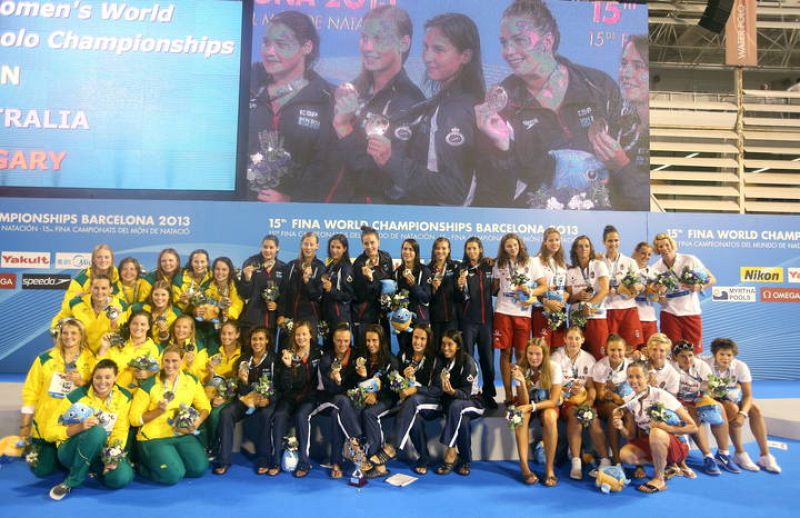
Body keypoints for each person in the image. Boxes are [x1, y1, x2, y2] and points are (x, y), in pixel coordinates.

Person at [474, 0, 621, 208]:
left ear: (547, 41)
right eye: (504, 42)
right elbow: (494, 195)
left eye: (520, 40)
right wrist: (502, 149)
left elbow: (627, 167)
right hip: (534, 223)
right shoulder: (499, 105)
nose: (508, 51)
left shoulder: (599, 86)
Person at [367, 12, 485, 206]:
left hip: (440, 221)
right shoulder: (444, 101)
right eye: (425, 47)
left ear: (465, 56)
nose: (428, 57)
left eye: (439, 49)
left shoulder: (457, 110)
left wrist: (392, 161)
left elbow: (455, 191)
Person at [332, 5, 426, 203]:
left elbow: (382, 179)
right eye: (364, 38)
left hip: (370, 215)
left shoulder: (411, 103)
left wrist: (344, 127)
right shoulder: (351, 89)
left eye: (379, 39)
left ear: (404, 43)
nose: (367, 47)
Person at [247, 10, 335, 202]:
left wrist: (292, 202)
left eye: (281, 44)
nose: (269, 52)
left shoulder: (327, 98)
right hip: (237, 210)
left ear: (306, 47)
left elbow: (328, 169)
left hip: (295, 215)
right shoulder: (245, 86)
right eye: (266, 43)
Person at [45, 359, 135, 500]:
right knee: (97, 431)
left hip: (101, 453)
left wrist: (112, 457)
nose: (102, 382)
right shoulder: (76, 396)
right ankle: (72, 480)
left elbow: (120, 430)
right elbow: (48, 432)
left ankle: (91, 469)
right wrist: (79, 427)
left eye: (108, 377)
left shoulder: (124, 397)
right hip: (70, 452)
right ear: (92, 377)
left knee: (121, 478)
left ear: (115, 378)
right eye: (98, 377)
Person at [19, 319, 94, 478]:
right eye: (65, 333)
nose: (68, 336)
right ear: (59, 335)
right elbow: (30, 393)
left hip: (74, 423)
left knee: (72, 459)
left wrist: (81, 382)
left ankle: (68, 456)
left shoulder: (91, 359)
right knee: (41, 470)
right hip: (46, 422)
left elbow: (99, 389)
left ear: (81, 335)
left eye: (73, 333)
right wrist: (25, 426)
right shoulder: (44, 358)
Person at [129, 345, 211, 485]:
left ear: (181, 361)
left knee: (199, 469)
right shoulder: (149, 385)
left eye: (174, 361)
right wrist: (158, 411)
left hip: (181, 433)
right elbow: (134, 419)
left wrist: (197, 421)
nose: (170, 365)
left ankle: (171, 461)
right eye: (166, 361)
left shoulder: (191, 380)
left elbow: (205, 406)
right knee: (173, 476)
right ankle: (141, 467)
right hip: (154, 437)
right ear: (161, 361)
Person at [614, 361, 698, 493]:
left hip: (677, 445)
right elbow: (630, 435)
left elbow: (693, 427)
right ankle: (668, 465)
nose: (633, 381)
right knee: (625, 455)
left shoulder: (661, 395)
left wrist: (668, 428)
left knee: (656, 432)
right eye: (630, 377)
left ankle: (659, 478)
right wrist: (620, 426)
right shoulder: (630, 399)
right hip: (654, 443)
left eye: (638, 376)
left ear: (647, 377)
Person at [330, 324, 398, 478]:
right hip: (363, 398)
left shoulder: (391, 360)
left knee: (369, 413)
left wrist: (377, 395)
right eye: (368, 341)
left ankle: (376, 462)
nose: (370, 344)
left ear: (381, 341)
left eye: (374, 340)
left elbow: (394, 389)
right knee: (337, 412)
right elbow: (350, 383)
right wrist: (362, 376)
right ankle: (350, 452)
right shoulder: (361, 358)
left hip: (386, 400)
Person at [591, 35, 650, 210]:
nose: (626, 73)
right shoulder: (623, 127)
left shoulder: (663, 133)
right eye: (624, 64)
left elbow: (651, 201)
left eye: (638, 66)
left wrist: (622, 165)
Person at [706, 338, 781, 473]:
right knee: (732, 409)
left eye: (729, 355)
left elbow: (748, 395)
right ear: (714, 354)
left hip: (733, 397)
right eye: (722, 354)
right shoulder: (705, 365)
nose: (725, 358)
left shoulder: (741, 366)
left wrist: (743, 414)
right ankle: (740, 453)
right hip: (711, 399)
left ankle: (765, 455)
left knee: (755, 410)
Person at [492, 233, 546, 404]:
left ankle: (521, 392)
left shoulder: (531, 262)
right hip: (503, 311)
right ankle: (508, 394)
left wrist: (530, 292)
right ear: (504, 248)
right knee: (505, 352)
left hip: (523, 313)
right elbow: (494, 288)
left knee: (521, 353)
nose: (512, 248)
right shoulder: (499, 263)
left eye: (515, 245)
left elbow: (544, 286)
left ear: (520, 245)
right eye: (508, 246)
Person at [671, 339, 738, 477]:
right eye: (683, 356)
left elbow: (709, 389)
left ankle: (723, 453)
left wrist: (710, 393)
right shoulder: (671, 368)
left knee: (719, 407)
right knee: (693, 415)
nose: (688, 359)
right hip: (679, 402)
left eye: (690, 355)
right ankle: (707, 456)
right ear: (675, 357)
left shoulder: (700, 365)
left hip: (698, 399)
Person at [213, 326, 275, 475]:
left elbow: (279, 385)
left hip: (265, 401)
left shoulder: (274, 359)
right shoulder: (244, 360)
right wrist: (244, 382)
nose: (257, 342)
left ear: (267, 340)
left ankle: (264, 460)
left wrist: (268, 400)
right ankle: (224, 460)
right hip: (246, 400)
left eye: (261, 339)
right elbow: (239, 388)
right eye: (254, 339)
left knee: (266, 415)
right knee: (226, 413)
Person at [551, 326, 607, 479]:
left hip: (583, 399)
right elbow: (551, 385)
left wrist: (589, 401)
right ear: (564, 339)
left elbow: (591, 387)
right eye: (570, 338)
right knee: (575, 416)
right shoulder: (556, 357)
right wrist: (568, 389)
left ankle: (605, 461)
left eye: (577, 338)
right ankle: (576, 462)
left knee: (593, 418)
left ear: (582, 340)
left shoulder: (589, 359)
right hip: (565, 400)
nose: (573, 342)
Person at [272, 320, 322, 477]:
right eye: (298, 335)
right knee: (279, 415)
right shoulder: (287, 354)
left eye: (304, 334)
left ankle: (304, 463)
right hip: (290, 396)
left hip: (309, 397)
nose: (301, 338)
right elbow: (284, 385)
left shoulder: (318, 353)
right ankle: (275, 461)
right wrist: (288, 367)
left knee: (301, 416)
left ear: (310, 335)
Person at [651, 232, 715, 353]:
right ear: (657, 249)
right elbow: (652, 293)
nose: (664, 248)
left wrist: (699, 286)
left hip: (691, 311)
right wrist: (659, 298)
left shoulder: (689, 260)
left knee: (694, 352)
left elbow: (712, 279)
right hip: (669, 313)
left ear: (672, 245)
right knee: (672, 352)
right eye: (660, 246)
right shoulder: (655, 268)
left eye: (667, 244)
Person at [510, 338, 562, 486]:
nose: (533, 357)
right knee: (520, 416)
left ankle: (549, 469)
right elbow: (524, 402)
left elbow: (553, 401)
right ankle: (524, 467)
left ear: (544, 354)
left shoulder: (554, 367)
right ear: (525, 354)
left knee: (550, 416)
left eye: (538, 354)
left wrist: (532, 407)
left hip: (546, 403)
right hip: (528, 403)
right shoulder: (520, 368)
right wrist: (521, 382)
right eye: (530, 353)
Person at [432, 330, 484, 477]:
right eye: (443, 344)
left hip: (473, 402)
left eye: (450, 344)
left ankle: (450, 452)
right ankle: (466, 460)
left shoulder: (468, 363)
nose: (445, 348)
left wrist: (452, 392)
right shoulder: (440, 360)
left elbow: (466, 394)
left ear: (458, 346)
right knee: (463, 420)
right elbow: (436, 383)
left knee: (456, 406)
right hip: (453, 403)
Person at [390, 324, 437, 474]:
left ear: (428, 341)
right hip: (410, 404)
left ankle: (392, 446)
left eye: (423, 339)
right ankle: (424, 457)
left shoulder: (434, 359)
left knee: (412, 401)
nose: (418, 342)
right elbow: (395, 382)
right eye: (416, 337)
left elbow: (437, 390)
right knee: (413, 415)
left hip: (432, 403)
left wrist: (416, 388)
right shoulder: (404, 355)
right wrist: (403, 379)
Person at [455, 236, 497, 409]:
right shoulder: (461, 269)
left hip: (486, 322)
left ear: (480, 250)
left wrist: (492, 261)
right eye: (468, 248)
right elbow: (458, 297)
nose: (471, 251)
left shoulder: (489, 266)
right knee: (468, 360)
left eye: (474, 248)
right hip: (468, 322)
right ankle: (469, 393)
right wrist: (459, 285)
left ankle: (488, 394)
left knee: (488, 359)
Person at [317, 323, 359, 478]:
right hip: (328, 399)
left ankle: (336, 463)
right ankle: (356, 442)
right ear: (333, 340)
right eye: (339, 340)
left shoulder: (356, 355)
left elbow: (359, 382)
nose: (342, 344)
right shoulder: (326, 359)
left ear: (350, 340)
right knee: (341, 400)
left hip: (349, 400)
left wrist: (362, 376)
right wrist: (335, 380)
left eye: (346, 341)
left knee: (337, 415)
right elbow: (329, 390)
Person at [52, 275, 128, 354]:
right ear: (91, 288)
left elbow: (124, 335)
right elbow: (58, 321)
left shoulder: (121, 305)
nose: (99, 292)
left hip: (108, 354)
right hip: (81, 355)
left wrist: (115, 322)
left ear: (110, 289)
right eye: (96, 288)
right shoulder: (75, 303)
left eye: (104, 288)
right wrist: (58, 338)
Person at [201, 320, 243, 461]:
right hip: (212, 394)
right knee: (201, 409)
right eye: (223, 333)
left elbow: (238, 382)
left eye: (230, 333)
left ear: (237, 334)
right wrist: (210, 372)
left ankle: (214, 447)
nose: (226, 337)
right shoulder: (215, 354)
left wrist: (224, 398)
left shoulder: (242, 355)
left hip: (232, 396)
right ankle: (202, 447)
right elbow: (208, 381)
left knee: (214, 415)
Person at [277, 232, 325, 349]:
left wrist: (307, 281)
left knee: (308, 353)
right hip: (289, 317)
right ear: (301, 245)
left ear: (317, 246)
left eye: (311, 244)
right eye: (305, 244)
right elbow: (283, 292)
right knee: (286, 350)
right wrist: (281, 314)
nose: (308, 247)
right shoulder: (291, 265)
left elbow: (318, 296)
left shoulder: (320, 267)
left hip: (310, 318)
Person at [591, 334, 632, 465]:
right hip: (605, 405)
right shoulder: (599, 366)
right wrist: (615, 397)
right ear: (606, 350)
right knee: (614, 411)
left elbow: (634, 395)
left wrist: (614, 395)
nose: (616, 353)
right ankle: (616, 457)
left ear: (625, 350)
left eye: (619, 350)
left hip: (626, 403)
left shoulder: (631, 365)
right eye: (612, 350)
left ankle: (636, 461)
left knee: (631, 413)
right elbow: (601, 396)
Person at [566, 235, 609, 359]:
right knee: (577, 357)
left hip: (596, 317)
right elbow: (569, 299)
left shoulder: (599, 265)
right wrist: (577, 296)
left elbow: (605, 290)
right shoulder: (571, 271)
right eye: (580, 246)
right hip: (576, 319)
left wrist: (589, 304)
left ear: (590, 249)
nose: (583, 249)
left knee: (599, 356)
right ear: (575, 249)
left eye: (587, 246)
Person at [238, 234, 285, 348]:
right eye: (265, 247)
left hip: (271, 324)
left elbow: (285, 294)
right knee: (249, 354)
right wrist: (247, 279)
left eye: (271, 247)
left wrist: (277, 305)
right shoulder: (251, 263)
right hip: (251, 321)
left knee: (268, 355)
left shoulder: (283, 267)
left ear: (277, 248)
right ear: (261, 247)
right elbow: (244, 294)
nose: (268, 250)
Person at [95, 310, 160, 391]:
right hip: (105, 388)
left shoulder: (152, 349)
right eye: (135, 323)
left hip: (128, 393)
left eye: (142, 324)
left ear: (149, 327)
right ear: (129, 325)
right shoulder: (117, 341)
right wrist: (103, 348)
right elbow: (99, 367)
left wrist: (148, 373)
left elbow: (154, 371)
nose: (138, 327)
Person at [601, 225, 643, 349]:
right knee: (610, 346)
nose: (613, 244)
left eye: (616, 240)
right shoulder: (598, 262)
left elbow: (638, 285)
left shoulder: (630, 262)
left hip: (628, 308)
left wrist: (634, 288)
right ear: (604, 242)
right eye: (610, 241)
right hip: (608, 308)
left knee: (631, 347)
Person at [352, 226, 394, 341]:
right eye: (366, 243)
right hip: (366, 315)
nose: (370, 247)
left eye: (372, 242)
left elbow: (390, 283)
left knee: (384, 346)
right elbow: (360, 295)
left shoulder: (386, 257)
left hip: (384, 313)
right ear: (362, 245)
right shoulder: (359, 264)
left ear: (379, 242)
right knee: (367, 347)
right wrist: (370, 280)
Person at [196, 257, 244, 355]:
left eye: (224, 269)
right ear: (213, 270)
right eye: (217, 269)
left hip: (229, 331)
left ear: (230, 271)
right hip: (209, 328)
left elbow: (236, 313)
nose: (220, 272)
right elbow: (202, 309)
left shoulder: (237, 287)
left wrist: (226, 308)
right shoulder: (206, 286)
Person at [530, 227, 568, 348]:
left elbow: (565, 290)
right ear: (544, 242)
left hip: (558, 311)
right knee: (542, 348)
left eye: (557, 240)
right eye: (551, 240)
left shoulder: (562, 264)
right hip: (541, 311)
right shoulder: (534, 261)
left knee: (558, 349)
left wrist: (563, 300)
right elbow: (530, 289)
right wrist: (546, 302)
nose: (554, 243)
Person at [393, 238, 432, 355]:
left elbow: (426, 298)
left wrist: (414, 285)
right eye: (405, 249)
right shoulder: (397, 272)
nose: (407, 252)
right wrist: (393, 302)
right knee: (404, 353)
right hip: (402, 321)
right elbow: (395, 297)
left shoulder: (424, 271)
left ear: (416, 253)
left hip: (419, 320)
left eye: (411, 249)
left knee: (420, 354)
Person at [60, 244, 120, 312]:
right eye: (99, 257)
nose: (103, 260)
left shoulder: (121, 276)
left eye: (106, 257)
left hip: (115, 315)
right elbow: (67, 306)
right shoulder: (81, 279)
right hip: (87, 315)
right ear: (93, 259)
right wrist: (82, 297)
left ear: (112, 259)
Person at [320, 234, 354, 347]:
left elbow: (349, 295)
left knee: (342, 350)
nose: (334, 250)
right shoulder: (330, 266)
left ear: (344, 249)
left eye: (338, 247)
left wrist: (331, 289)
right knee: (328, 349)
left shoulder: (346, 268)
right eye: (332, 247)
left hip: (340, 318)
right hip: (328, 316)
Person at [427, 237, 460, 352]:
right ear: (434, 250)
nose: (440, 251)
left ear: (449, 250)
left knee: (450, 350)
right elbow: (425, 297)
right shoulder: (428, 269)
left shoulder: (456, 266)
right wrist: (433, 289)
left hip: (452, 318)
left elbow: (459, 295)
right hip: (435, 318)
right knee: (436, 350)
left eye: (444, 248)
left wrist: (486, 261)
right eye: (438, 248)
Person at [131, 280, 181, 345]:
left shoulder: (176, 314)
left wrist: (164, 333)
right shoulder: (141, 308)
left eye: (163, 295)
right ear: (151, 295)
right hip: (140, 346)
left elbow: (175, 341)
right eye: (156, 294)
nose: (159, 298)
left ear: (169, 296)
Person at [632, 241, 657, 349]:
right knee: (633, 351)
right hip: (633, 317)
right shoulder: (628, 270)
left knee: (650, 351)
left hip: (649, 317)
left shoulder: (654, 273)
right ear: (636, 252)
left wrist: (656, 292)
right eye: (643, 253)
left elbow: (658, 296)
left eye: (649, 254)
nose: (646, 257)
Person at [175, 249, 211, 314]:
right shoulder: (178, 279)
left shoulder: (213, 275)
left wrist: (193, 297)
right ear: (191, 263)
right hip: (186, 315)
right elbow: (178, 308)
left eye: (202, 262)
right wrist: (185, 303)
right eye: (196, 262)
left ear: (207, 262)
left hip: (209, 313)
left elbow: (215, 300)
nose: (199, 265)